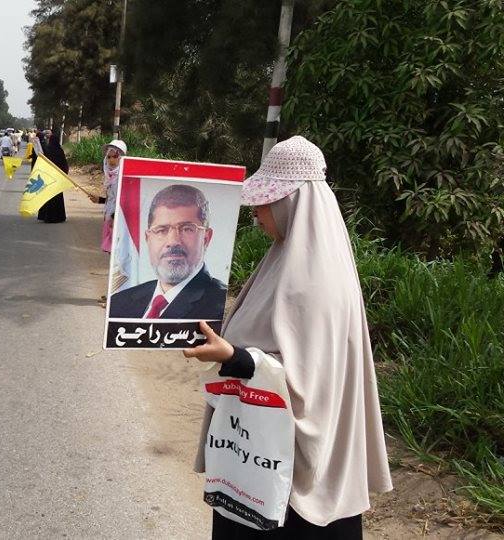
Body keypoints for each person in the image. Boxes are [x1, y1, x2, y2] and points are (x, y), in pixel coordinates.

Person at [183, 136, 393, 539]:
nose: (256, 213)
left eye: (264, 202)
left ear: (291, 202)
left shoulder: (315, 281)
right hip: (254, 452)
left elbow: (308, 385)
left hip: (287, 479)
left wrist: (236, 357)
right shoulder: (285, 257)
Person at [108, 184, 226, 319]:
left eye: (187, 229)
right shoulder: (119, 302)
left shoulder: (219, 308)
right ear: (148, 238)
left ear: (206, 238)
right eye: (161, 230)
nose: (173, 241)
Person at [36, 130, 68, 223]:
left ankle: (46, 216)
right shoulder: (60, 150)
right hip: (57, 177)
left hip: (48, 177)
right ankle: (59, 216)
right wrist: (64, 174)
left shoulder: (47, 150)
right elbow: (64, 164)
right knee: (57, 197)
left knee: (47, 196)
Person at [101, 139, 127, 252]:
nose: (111, 160)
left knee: (117, 251)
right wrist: (99, 200)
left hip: (117, 219)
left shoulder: (122, 177)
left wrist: (113, 217)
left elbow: (123, 200)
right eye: (109, 157)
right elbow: (112, 198)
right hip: (110, 217)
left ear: (121, 157)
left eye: (115, 157)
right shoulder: (110, 176)